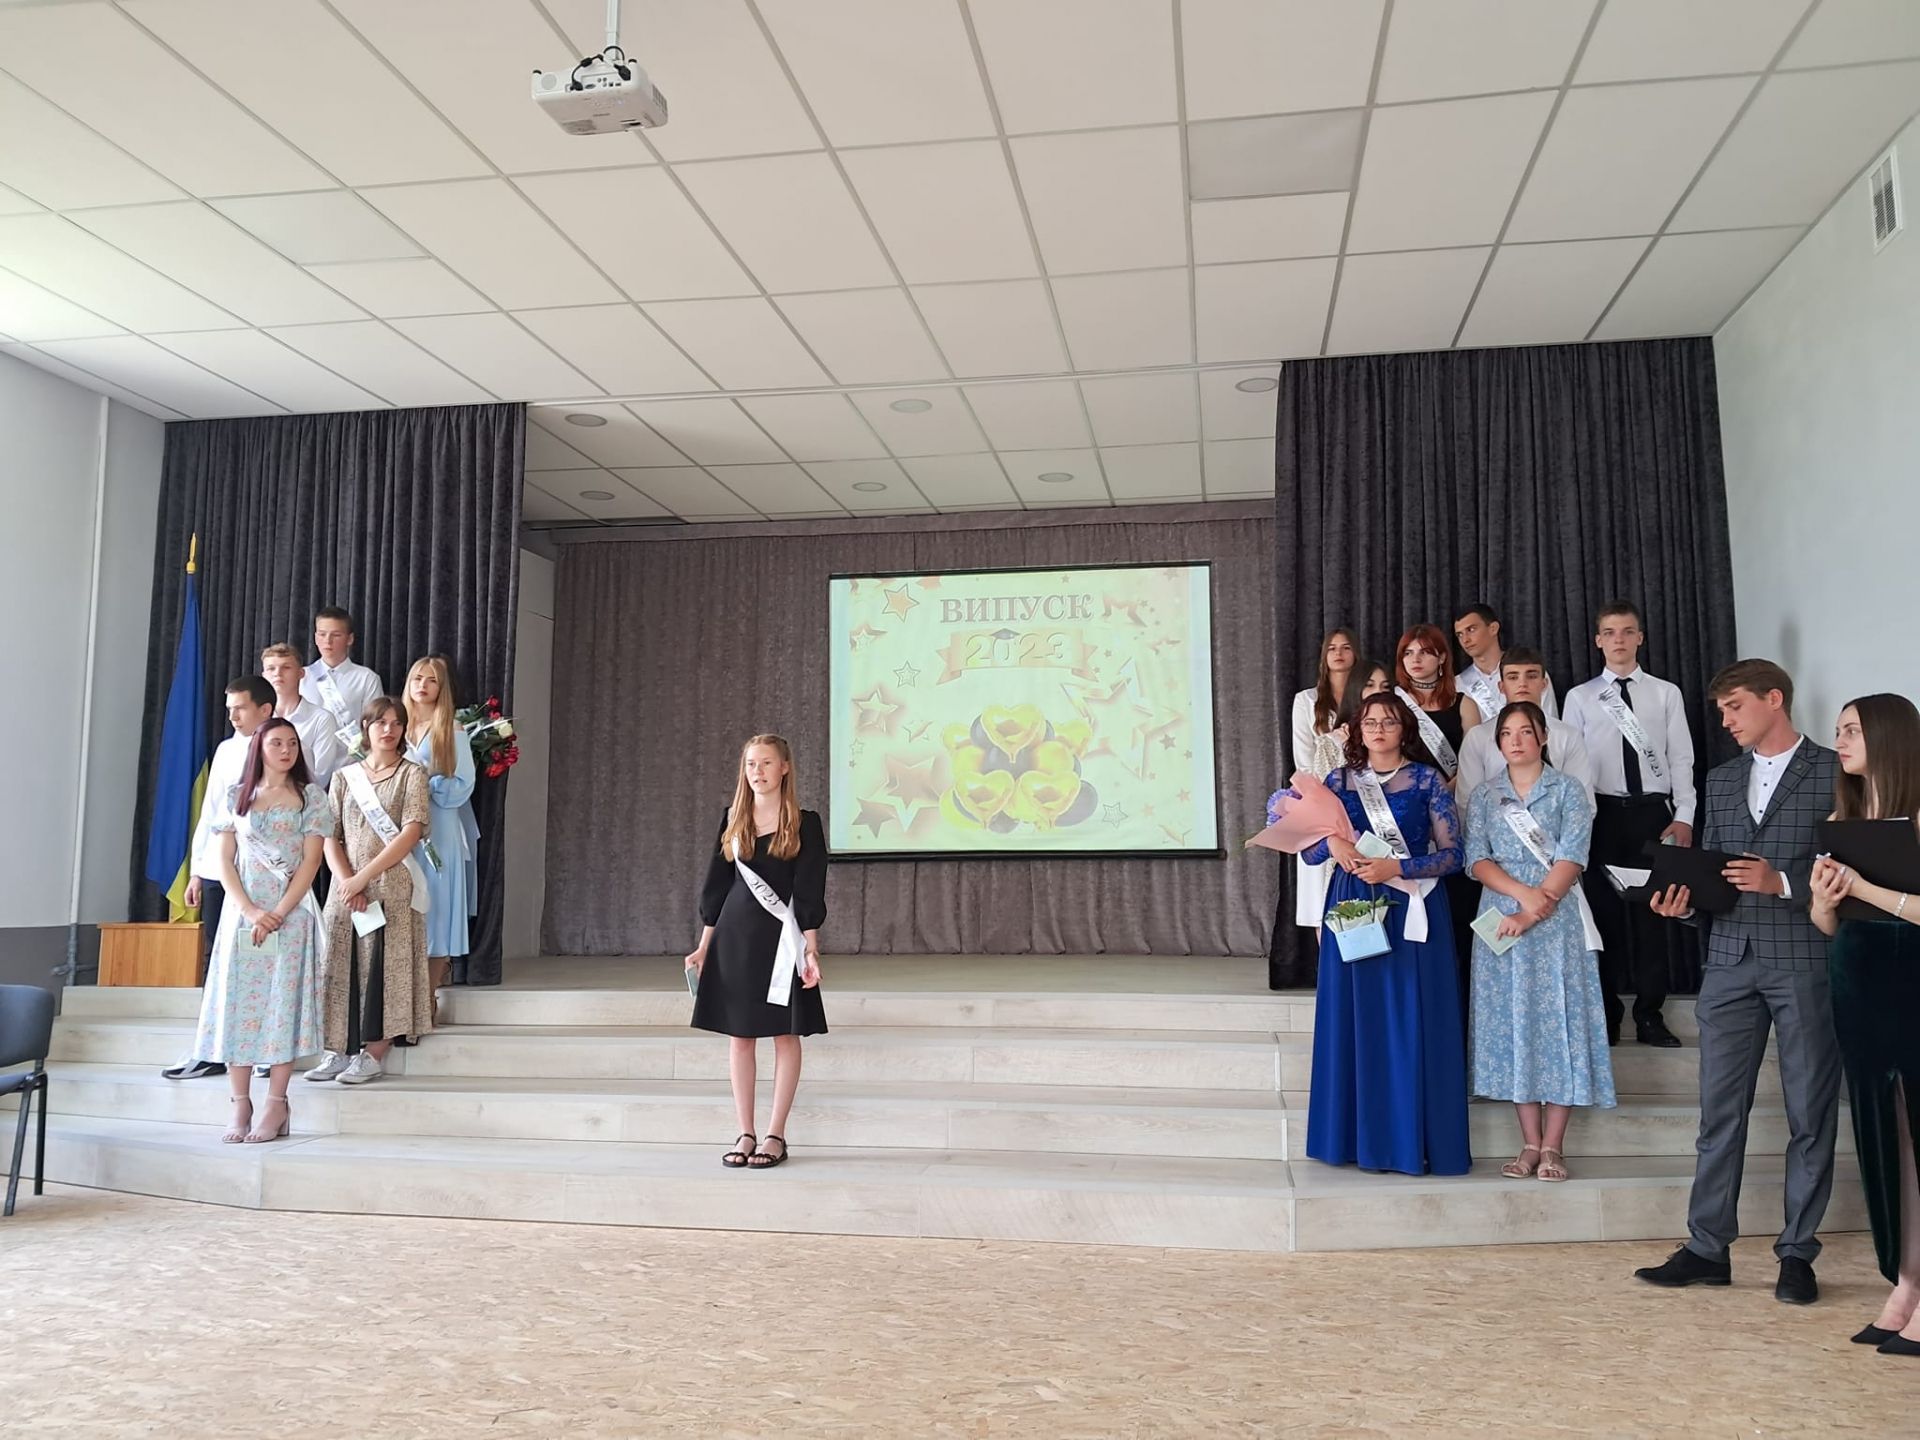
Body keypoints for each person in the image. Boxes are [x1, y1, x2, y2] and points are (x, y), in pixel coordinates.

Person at [1634, 660, 1841, 1307]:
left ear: (1774, 699)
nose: (1724, 721)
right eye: (1721, 710)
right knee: (1719, 1112)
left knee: (1810, 1112)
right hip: (1727, 961)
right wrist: (1683, 906)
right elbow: (1716, 878)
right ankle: (1707, 1248)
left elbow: (1851, 872)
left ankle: (1797, 1254)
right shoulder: (1721, 781)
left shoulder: (1835, 772)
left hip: (1804, 958)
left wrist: (1782, 882)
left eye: (1734, 707)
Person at [1300, 692, 1470, 1176]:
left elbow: (1453, 855)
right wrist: (1332, 842)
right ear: (1357, 729)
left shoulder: (1426, 780)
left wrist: (1397, 867)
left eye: (1388, 722)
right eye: (1369, 722)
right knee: (1355, 1019)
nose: (1378, 730)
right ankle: (1351, 1141)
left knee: (1410, 1020)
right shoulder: (1337, 781)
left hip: (1411, 903)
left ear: (1404, 729)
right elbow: (1309, 852)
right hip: (1354, 904)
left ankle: (1409, 1142)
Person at [1809, 694, 1920, 1355]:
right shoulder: (1841, 819)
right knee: (1887, 1145)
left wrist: (1863, 887)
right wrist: (1826, 900)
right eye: (1839, 730)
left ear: (1888, 736)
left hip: (1912, 986)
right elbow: (1828, 923)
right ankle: (1906, 1284)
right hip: (1858, 988)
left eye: (1851, 729)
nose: (1840, 740)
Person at [1465, 702, 1615, 1183]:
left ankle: (1554, 1146)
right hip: (1501, 914)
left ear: (1543, 737)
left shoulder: (1567, 790)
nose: (1515, 740)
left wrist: (1533, 908)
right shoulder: (1486, 795)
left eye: (1525, 731)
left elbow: (1573, 855)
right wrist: (1521, 896)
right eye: (1506, 733)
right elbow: (1476, 859)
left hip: (1556, 919)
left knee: (1560, 1023)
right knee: (1515, 1025)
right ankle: (1529, 1143)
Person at [686, 734, 827, 1170]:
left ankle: (775, 1134)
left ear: (784, 767)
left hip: (781, 939)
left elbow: (809, 889)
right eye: (750, 764)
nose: (757, 772)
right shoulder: (733, 818)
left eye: (766, 763)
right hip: (734, 937)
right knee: (740, 1035)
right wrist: (704, 946)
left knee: (785, 1034)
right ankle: (745, 1132)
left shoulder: (804, 823)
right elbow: (717, 886)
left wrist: (811, 949)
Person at [189, 719, 330, 1143]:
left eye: (292, 743)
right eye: (276, 743)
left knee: (281, 1006)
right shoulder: (238, 796)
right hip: (243, 916)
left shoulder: (310, 797)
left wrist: (279, 912)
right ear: (259, 749)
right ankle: (239, 1103)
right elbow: (225, 860)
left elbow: (311, 862)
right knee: (239, 1004)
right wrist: (251, 910)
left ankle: (276, 1102)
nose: (286, 750)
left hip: (291, 915)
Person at [1564, 600, 1697, 1047]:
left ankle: (1650, 1015)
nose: (1618, 640)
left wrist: (1684, 816)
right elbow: (1571, 767)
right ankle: (1606, 1013)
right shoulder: (1580, 697)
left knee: (1653, 918)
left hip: (1652, 816)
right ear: (1597, 640)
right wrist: (1576, 825)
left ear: (1640, 637)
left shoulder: (1665, 693)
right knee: (1601, 919)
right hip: (1600, 816)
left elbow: (1681, 758)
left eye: (1626, 631)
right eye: (1609, 632)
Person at [311, 696, 433, 1087]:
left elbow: (411, 832)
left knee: (384, 965)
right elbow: (329, 835)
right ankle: (337, 1048)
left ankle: (373, 1052)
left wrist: (363, 878)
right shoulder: (345, 777)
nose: (389, 730)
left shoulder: (412, 774)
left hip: (391, 884)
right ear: (366, 727)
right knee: (339, 963)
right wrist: (348, 881)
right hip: (345, 887)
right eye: (381, 722)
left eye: (397, 723)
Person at [161, 675, 275, 1082]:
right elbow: (211, 813)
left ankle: (265, 1046)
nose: (233, 716)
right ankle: (214, 1047)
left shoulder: (281, 747)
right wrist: (198, 869)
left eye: (240, 708)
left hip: (263, 872)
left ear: (265, 709)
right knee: (218, 956)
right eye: (229, 709)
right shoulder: (226, 750)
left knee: (261, 956)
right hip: (219, 869)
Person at [404, 655, 479, 1011]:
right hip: (399, 827)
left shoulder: (452, 728)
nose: (423, 685)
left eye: (431, 680)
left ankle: (428, 996)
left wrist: (425, 781)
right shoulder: (396, 725)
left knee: (436, 908)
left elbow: (463, 783)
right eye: (418, 678)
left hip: (439, 824)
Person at [1455, 648, 1594, 809]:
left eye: (1531, 676)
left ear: (1544, 684)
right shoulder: (1477, 737)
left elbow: (1582, 803)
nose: (1522, 683)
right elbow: (1467, 803)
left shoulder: (1568, 736)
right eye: (1513, 677)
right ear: (1501, 686)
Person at [1289, 628, 1361, 929]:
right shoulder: (1306, 700)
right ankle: (1326, 960)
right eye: (1332, 648)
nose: (1339, 653)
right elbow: (1304, 761)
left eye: (1346, 647)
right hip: (1319, 803)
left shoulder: (1366, 696)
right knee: (1320, 899)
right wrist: (1326, 802)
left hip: (1363, 802)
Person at [1394, 623, 1478, 787]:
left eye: (1424, 652)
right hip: (1402, 792)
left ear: (1441, 658)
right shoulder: (1393, 702)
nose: (1415, 659)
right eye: (1408, 653)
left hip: (1454, 792)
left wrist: (1444, 792)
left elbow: (1473, 759)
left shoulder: (1465, 705)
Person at [299, 606, 385, 757]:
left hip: (351, 761)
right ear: (315, 637)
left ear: (349, 639)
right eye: (322, 634)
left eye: (336, 635)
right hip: (307, 760)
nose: (328, 641)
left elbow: (375, 723)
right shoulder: (300, 676)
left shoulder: (366, 678)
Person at [261, 643, 346, 788]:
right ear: (263, 675)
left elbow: (321, 775)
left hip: (302, 798)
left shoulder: (321, 719)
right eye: (271, 668)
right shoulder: (258, 717)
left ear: (301, 673)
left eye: (286, 667)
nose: (277, 673)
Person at [1455, 603, 1558, 721]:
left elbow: (1550, 722)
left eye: (1471, 630)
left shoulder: (1531, 673)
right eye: (1460, 634)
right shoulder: (1457, 685)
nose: (1465, 640)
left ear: (1493, 628)